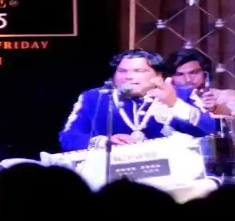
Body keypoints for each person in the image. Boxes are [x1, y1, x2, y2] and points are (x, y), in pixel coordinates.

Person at [58, 49, 219, 151]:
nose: (128, 76)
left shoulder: (182, 95)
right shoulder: (94, 98)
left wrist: (175, 104)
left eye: (138, 70)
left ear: (158, 75)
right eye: (122, 71)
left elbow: (209, 130)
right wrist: (104, 142)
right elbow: (68, 137)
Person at [168, 49, 235, 121]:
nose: (188, 79)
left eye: (194, 72)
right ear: (171, 77)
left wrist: (215, 108)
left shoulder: (222, 95)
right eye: (180, 74)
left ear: (205, 73)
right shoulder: (161, 99)